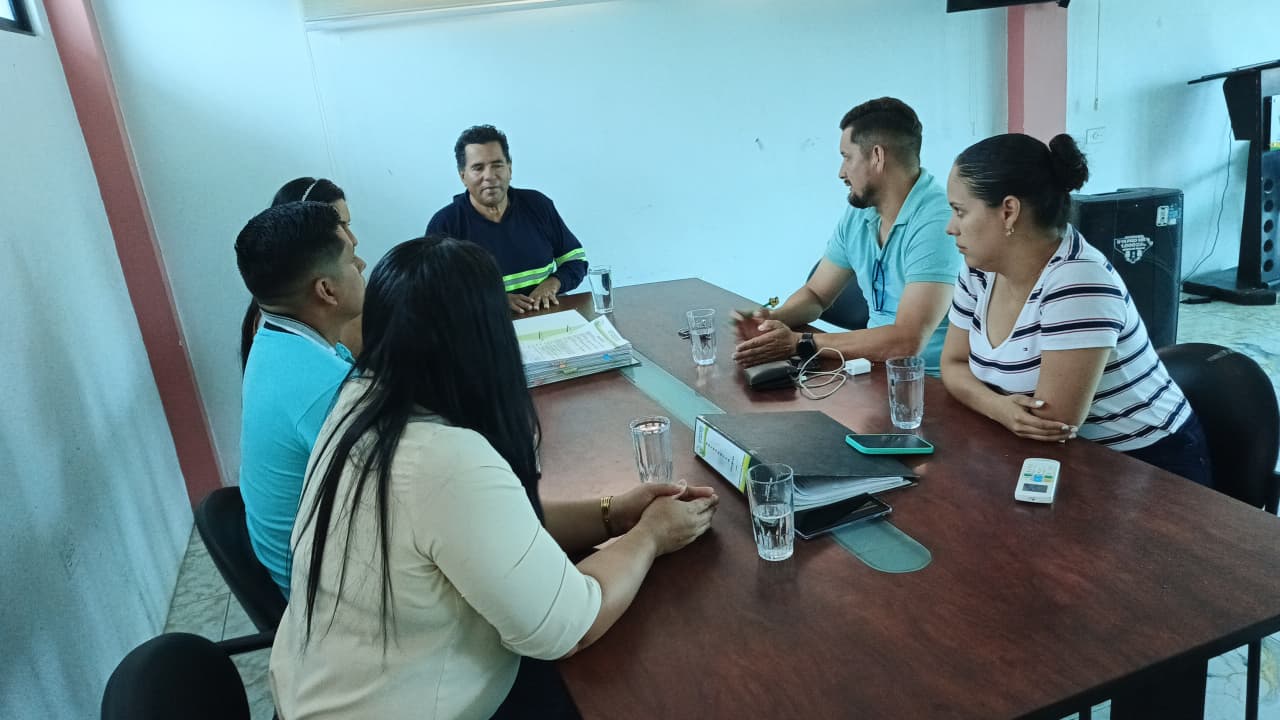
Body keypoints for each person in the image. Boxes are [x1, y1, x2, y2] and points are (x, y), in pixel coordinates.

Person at [269, 235, 718, 719]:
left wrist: (613, 514)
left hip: (320, 691)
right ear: (487, 340)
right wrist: (651, 536)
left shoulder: (359, 401)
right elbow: (571, 628)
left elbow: (499, 529)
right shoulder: (445, 460)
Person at [940, 132, 1209, 486]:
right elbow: (952, 365)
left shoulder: (1078, 281)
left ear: (1008, 211)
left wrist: (994, 406)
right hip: (1055, 454)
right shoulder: (979, 270)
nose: (951, 227)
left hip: (1147, 464)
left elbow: (1051, 423)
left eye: (960, 211)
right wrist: (1000, 408)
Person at [732, 98, 962, 373]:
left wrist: (800, 343)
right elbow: (816, 294)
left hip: (929, 380)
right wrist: (772, 321)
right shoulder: (859, 213)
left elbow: (907, 340)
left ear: (877, 156)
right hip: (873, 368)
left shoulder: (938, 221)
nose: (841, 172)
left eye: (847, 157)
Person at [234, 201, 367, 597]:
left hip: (306, 558)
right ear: (326, 290)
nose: (362, 266)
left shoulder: (274, 338)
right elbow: (401, 490)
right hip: (327, 591)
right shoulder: (327, 390)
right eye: (352, 259)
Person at [426, 125, 588, 314]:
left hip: (548, 316)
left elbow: (576, 261)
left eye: (497, 165)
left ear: (509, 169)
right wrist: (493, 300)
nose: (489, 176)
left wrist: (553, 283)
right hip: (484, 323)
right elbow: (435, 292)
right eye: (478, 168)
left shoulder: (538, 205)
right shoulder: (445, 225)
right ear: (463, 176)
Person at [239, 177, 363, 369]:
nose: (353, 239)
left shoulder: (274, 321)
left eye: (348, 225)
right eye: (340, 226)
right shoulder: (330, 315)